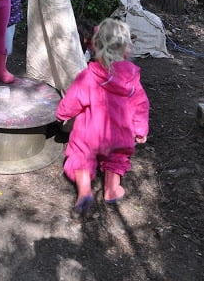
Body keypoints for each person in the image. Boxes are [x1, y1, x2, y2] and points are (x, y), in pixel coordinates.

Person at [55, 17, 149, 214]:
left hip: (88, 132)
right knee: (117, 158)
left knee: (80, 156)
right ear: (126, 49)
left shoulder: (89, 75)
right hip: (119, 133)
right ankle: (112, 190)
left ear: (95, 46)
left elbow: (73, 99)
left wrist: (61, 113)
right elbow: (141, 105)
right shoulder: (132, 78)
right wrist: (140, 130)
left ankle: (84, 192)